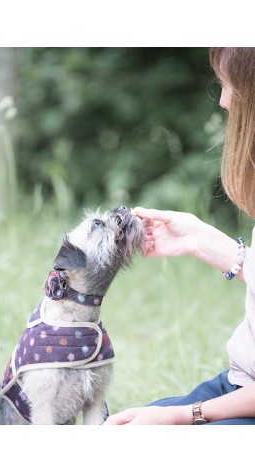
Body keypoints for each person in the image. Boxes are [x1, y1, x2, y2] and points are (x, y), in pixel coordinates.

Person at [105, 47, 255, 425]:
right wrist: (198, 239)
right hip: (241, 385)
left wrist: (187, 415)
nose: (222, 100)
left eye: (230, 84)